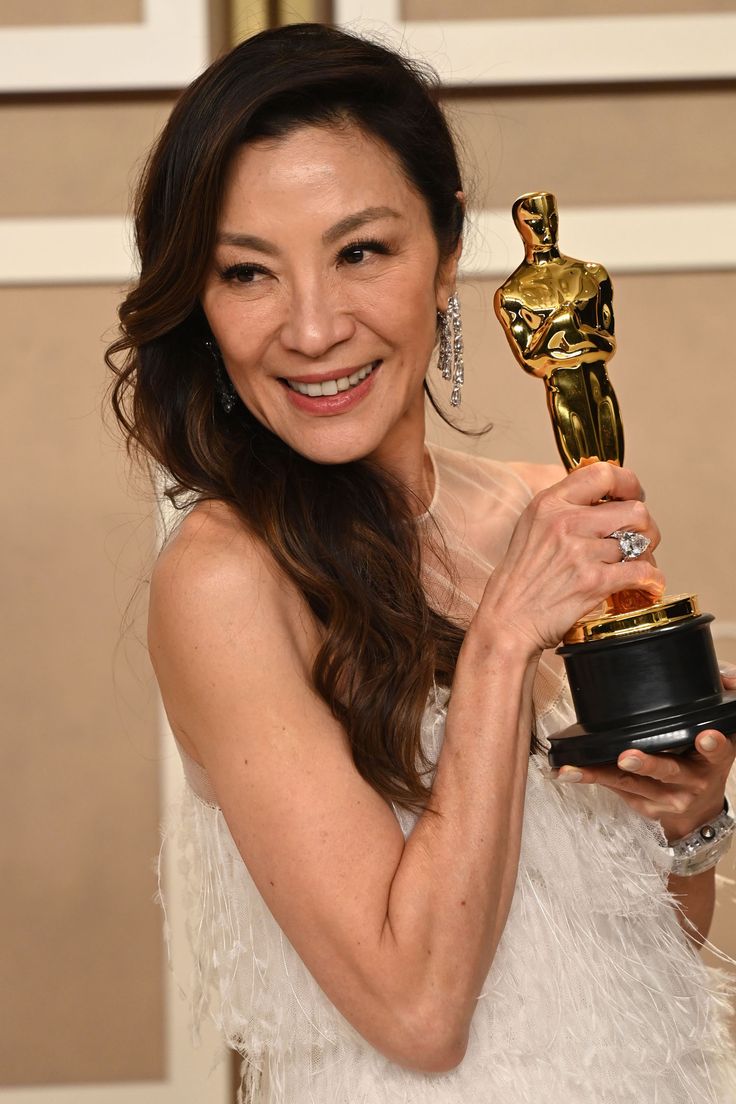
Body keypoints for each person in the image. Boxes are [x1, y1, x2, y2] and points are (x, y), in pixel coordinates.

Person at [107, 23, 736, 1104]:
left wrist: (687, 823)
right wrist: (498, 641)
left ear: (444, 255)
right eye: (248, 271)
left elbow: (635, 960)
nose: (311, 328)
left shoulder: (539, 508)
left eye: (361, 252)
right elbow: (418, 1009)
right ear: (199, 306)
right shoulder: (224, 580)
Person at [494, 191, 624, 470]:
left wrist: (565, 336)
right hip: (561, 386)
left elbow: (609, 343)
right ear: (522, 227)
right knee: (584, 471)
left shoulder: (591, 274)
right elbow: (531, 359)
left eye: (551, 218)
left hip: (597, 380)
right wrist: (564, 326)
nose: (545, 227)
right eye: (535, 221)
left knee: (614, 466)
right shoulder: (513, 292)